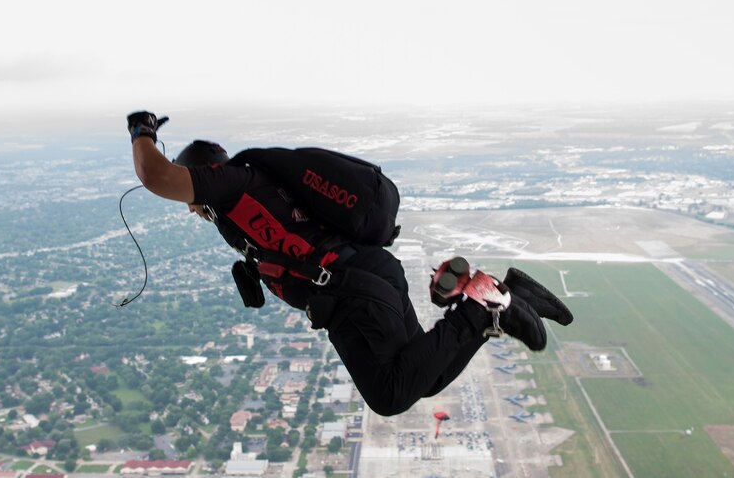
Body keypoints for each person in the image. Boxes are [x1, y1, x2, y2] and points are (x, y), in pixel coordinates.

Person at [127, 111, 573, 416]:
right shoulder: (251, 195)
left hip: (349, 290)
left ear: (205, 173)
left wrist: (141, 130)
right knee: (427, 378)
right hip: (370, 274)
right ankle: (507, 297)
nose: (189, 208)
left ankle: (484, 305)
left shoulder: (233, 185)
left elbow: (155, 176)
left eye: (193, 198)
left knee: (390, 394)